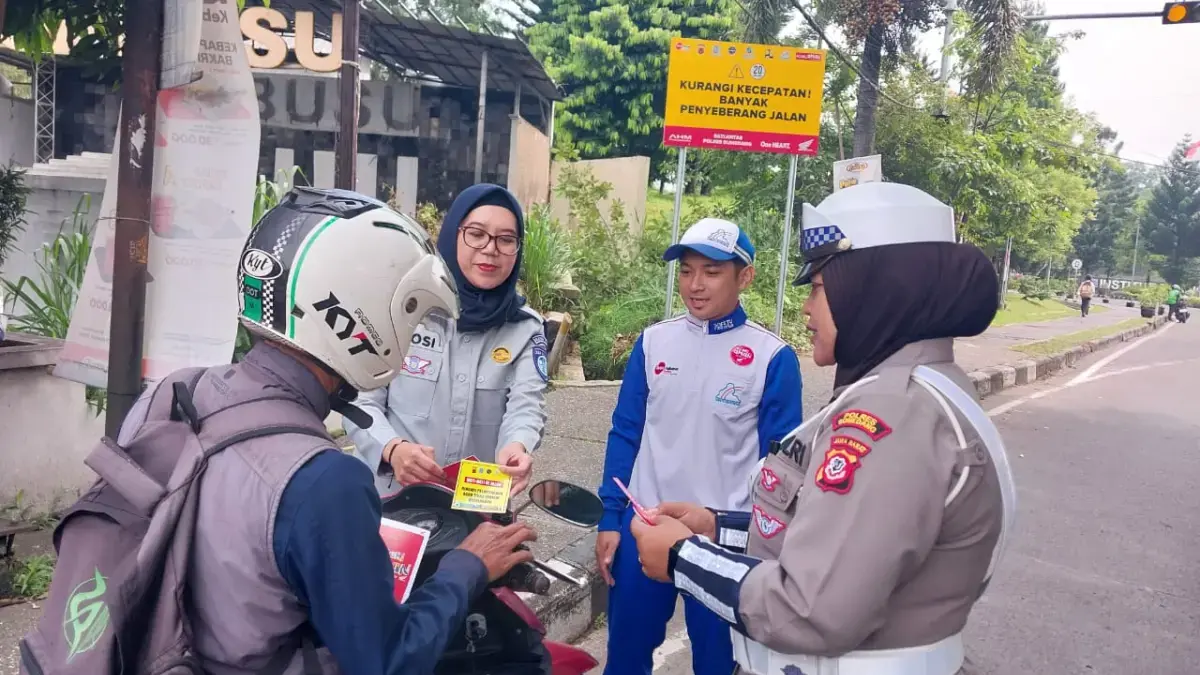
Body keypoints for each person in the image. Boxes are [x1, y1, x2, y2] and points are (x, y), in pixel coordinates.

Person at [116, 187, 539, 673]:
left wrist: (518, 444)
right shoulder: (326, 480)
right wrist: (469, 565)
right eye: (404, 314)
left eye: (505, 240)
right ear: (360, 318)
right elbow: (385, 658)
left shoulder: (170, 393)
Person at [630, 182, 1017, 675]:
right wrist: (717, 527)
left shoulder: (890, 415)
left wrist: (684, 557)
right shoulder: (924, 385)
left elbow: (809, 607)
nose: (807, 309)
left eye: (817, 287)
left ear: (874, 289)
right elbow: (839, 537)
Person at [595, 217, 804, 675]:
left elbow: (784, 472)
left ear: (744, 277)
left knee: (718, 665)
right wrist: (611, 518)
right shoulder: (653, 343)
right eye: (687, 270)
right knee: (625, 660)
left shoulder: (772, 358)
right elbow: (626, 432)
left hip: (723, 540)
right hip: (643, 526)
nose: (695, 284)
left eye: (711, 272)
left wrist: (765, 544)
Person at [344, 184, 549, 498]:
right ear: (454, 235)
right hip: (390, 500)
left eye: (506, 239)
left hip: (477, 500)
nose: (491, 249)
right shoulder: (401, 309)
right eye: (477, 234)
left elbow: (526, 405)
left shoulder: (525, 328)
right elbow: (360, 401)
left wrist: (517, 445)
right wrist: (392, 449)